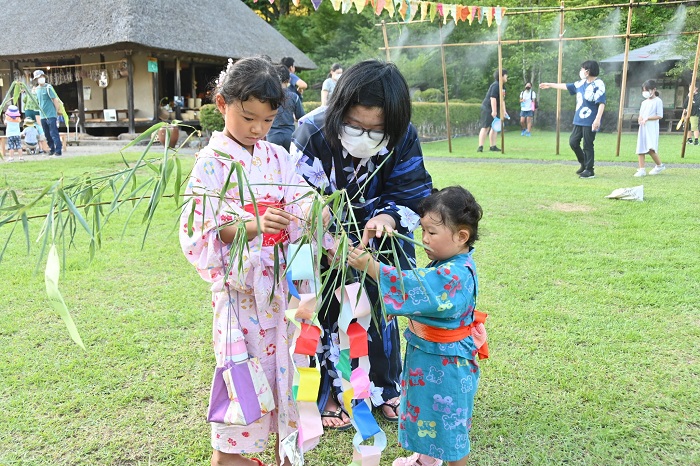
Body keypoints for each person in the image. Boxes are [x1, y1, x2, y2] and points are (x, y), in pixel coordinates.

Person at [179, 56, 328, 466]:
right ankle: (233, 458)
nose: (258, 128)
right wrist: (252, 223)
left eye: (267, 119)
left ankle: (286, 453)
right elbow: (199, 232)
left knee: (288, 376)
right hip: (242, 299)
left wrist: (316, 212)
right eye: (248, 118)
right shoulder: (210, 163)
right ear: (221, 103)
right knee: (242, 382)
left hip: (282, 293)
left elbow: (301, 201)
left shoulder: (277, 156)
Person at [291, 60, 433, 430]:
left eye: (377, 130)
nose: (364, 136)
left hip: (379, 243)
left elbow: (411, 191)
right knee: (326, 315)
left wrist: (387, 218)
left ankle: (384, 389)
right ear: (339, 111)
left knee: (379, 314)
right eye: (354, 126)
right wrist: (324, 234)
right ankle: (330, 394)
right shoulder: (312, 131)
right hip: (324, 245)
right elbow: (297, 195)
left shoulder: (403, 135)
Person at [347, 186, 486, 466]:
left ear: (462, 236)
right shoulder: (444, 263)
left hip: (447, 364)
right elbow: (418, 290)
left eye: (432, 233)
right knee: (426, 411)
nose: (424, 239)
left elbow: (417, 288)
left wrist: (372, 267)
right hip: (429, 355)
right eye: (422, 231)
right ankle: (426, 459)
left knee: (448, 424)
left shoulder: (457, 273)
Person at [540, 60, 606, 179]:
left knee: (588, 145)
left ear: (588, 71)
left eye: (582, 69)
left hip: (590, 119)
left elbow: (601, 103)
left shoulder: (599, 84)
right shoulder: (581, 83)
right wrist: (550, 84)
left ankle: (590, 170)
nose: (580, 71)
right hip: (579, 119)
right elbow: (566, 86)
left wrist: (597, 120)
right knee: (573, 142)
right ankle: (584, 163)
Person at [267, 64, 305, 151]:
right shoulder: (294, 96)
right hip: (289, 135)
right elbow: (301, 117)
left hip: (272, 135)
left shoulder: (269, 96)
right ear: (289, 80)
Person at [634, 80, 666, 177]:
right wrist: (640, 119)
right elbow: (641, 114)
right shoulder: (644, 102)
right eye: (644, 90)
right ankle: (641, 169)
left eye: (647, 90)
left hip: (652, 127)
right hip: (643, 127)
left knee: (650, 148)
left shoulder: (658, 101)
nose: (645, 92)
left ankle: (660, 165)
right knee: (640, 147)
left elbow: (659, 115)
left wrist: (647, 118)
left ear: (654, 90)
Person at [33, 70, 63, 157]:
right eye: (38, 78)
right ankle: (52, 149)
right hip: (42, 115)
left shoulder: (48, 87)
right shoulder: (37, 89)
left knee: (54, 133)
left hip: (51, 114)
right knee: (47, 134)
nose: (40, 79)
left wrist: (56, 112)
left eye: (41, 77)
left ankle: (58, 151)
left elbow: (55, 99)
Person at [477, 69, 508, 153]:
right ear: (501, 76)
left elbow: (502, 100)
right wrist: (494, 111)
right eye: (506, 75)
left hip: (496, 108)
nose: (507, 77)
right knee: (486, 127)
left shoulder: (503, 87)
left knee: (495, 127)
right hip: (487, 108)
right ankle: (480, 147)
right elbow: (493, 98)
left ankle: (493, 146)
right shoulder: (495, 85)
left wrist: (504, 111)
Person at [22, 85, 48, 154]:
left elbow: (23, 100)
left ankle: (27, 145)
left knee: (28, 124)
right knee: (38, 124)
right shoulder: (37, 95)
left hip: (28, 110)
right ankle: (41, 145)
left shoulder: (28, 95)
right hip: (35, 110)